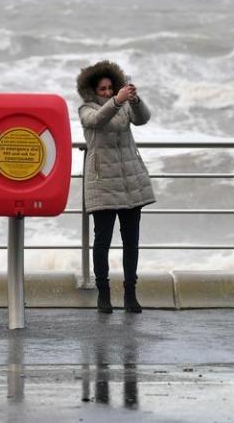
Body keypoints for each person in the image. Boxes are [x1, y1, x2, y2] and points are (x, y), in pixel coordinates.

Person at [76, 60, 156, 314]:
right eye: (103, 89)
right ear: (92, 91)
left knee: (131, 241)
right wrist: (118, 101)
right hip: (102, 183)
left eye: (111, 87)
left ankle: (131, 294)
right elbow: (99, 120)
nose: (108, 92)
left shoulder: (122, 105)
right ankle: (104, 294)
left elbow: (143, 119)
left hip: (130, 180)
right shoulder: (85, 109)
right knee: (102, 242)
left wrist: (134, 99)